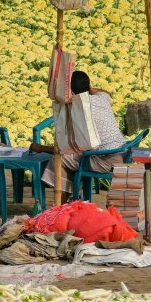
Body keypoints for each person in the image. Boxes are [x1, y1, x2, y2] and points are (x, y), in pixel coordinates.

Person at [31, 70, 128, 204]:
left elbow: (67, 148)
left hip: (105, 159)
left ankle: (61, 206)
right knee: (71, 158)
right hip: (123, 151)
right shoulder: (102, 98)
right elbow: (106, 92)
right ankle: (71, 199)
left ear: (71, 93)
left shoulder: (77, 111)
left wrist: (40, 148)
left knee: (59, 160)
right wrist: (88, 89)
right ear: (89, 86)